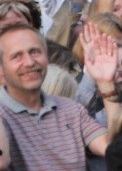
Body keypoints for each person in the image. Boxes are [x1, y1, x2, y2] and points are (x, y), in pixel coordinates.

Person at [0, 23, 113, 170]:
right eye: (16, 56)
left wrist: (106, 83)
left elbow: (112, 148)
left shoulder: (71, 108)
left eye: (35, 52)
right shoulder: (3, 114)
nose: (29, 62)